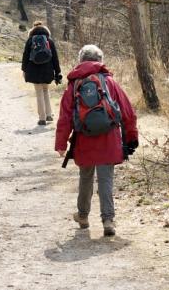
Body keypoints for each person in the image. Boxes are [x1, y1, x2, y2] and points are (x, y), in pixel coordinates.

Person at [54, 45, 138, 236]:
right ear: (100, 60)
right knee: (106, 180)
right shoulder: (109, 82)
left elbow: (65, 117)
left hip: (84, 139)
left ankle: (83, 216)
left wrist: (61, 144)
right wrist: (132, 137)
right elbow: (127, 112)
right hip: (109, 139)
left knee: (86, 178)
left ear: (80, 60)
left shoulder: (74, 84)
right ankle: (108, 220)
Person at [21, 21, 62, 125]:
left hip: (34, 70)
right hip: (48, 70)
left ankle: (42, 118)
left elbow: (25, 56)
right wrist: (58, 72)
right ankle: (49, 114)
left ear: (33, 29)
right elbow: (55, 58)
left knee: (39, 92)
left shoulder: (30, 40)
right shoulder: (49, 40)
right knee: (45, 91)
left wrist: (24, 70)